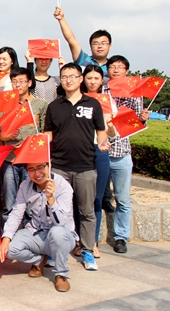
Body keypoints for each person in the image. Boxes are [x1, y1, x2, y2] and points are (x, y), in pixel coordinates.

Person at [44, 62, 110, 271]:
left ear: (81, 79)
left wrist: (102, 143)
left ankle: (87, 250)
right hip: (59, 166)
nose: (68, 80)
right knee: (57, 209)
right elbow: (48, 135)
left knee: (87, 211)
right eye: (64, 77)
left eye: (73, 76)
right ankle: (56, 250)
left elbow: (101, 132)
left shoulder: (93, 104)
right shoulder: (54, 106)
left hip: (86, 166)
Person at [0, 162, 77, 292]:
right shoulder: (25, 185)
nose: (37, 174)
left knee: (57, 233)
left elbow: (61, 222)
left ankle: (61, 274)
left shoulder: (63, 185)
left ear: (48, 166)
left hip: (60, 236)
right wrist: (5, 240)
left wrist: (51, 199)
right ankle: (39, 259)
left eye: (40, 168)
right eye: (31, 169)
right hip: (36, 232)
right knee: (10, 250)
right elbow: (16, 213)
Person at [105, 55, 150, 254]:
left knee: (123, 199)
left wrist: (142, 119)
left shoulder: (135, 94)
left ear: (126, 71)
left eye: (120, 67)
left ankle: (121, 237)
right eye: (112, 66)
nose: (116, 70)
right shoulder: (102, 91)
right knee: (96, 198)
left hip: (122, 153)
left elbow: (138, 124)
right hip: (101, 152)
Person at [0, 67, 47, 228]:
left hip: (32, 161)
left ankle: (31, 234)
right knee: (8, 203)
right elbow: (0, 135)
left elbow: (45, 133)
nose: (17, 85)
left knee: (32, 202)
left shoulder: (40, 105)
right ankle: (7, 236)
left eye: (21, 81)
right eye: (14, 81)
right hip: (10, 159)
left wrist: (29, 144)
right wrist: (8, 137)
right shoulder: (5, 105)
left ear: (29, 83)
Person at [81, 65, 117, 258]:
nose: (93, 81)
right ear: (83, 79)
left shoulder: (107, 101)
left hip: (100, 151)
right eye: (89, 78)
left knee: (96, 198)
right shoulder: (78, 100)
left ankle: (92, 242)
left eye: (96, 78)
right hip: (81, 151)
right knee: (78, 198)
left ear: (102, 80)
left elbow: (113, 133)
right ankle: (79, 240)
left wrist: (110, 126)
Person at [53, 6, 112, 80]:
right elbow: (71, 40)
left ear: (110, 46)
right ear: (90, 47)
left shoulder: (113, 67)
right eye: (96, 43)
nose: (99, 46)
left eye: (103, 43)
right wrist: (61, 19)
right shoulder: (82, 59)